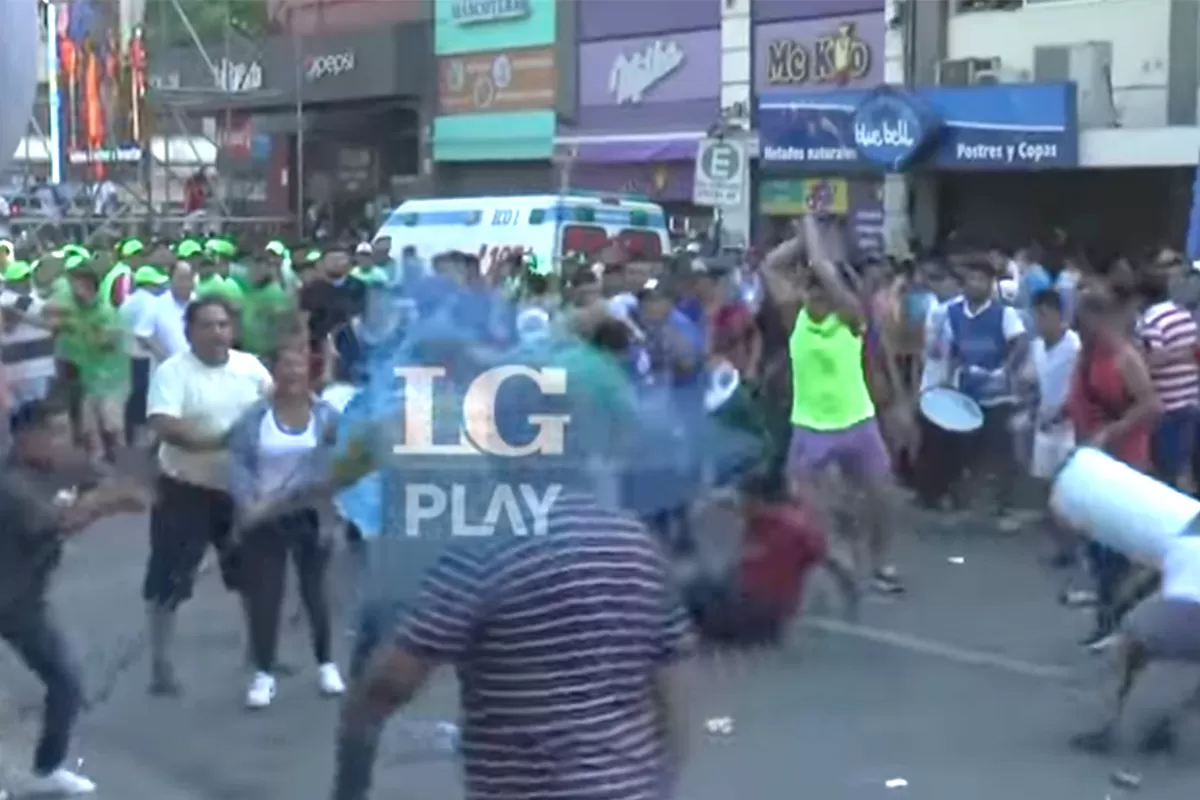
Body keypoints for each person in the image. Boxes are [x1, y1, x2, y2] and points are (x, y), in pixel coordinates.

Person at [331, 443, 694, 800]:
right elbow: (673, 686)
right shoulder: (636, 542)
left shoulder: (484, 551)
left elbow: (394, 679)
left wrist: (358, 718)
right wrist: (662, 783)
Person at [0, 397, 149, 795]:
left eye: (67, 430)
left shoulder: (60, 465)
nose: (65, 441)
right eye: (55, 433)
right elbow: (57, 522)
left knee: (65, 682)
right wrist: (108, 502)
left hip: (22, 602)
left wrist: (121, 485)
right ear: (26, 438)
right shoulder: (10, 485)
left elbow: (102, 476)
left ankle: (46, 769)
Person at [759, 217, 902, 593]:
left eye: (825, 291)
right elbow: (771, 266)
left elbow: (825, 270)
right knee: (810, 505)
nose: (818, 295)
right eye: (812, 290)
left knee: (881, 497)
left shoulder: (851, 318)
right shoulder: (797, 320)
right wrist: (801, 240)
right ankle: (832, 558)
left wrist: (809, 229)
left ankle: (881, 562)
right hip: (810, 427)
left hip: (857, 423)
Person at [143, 296, 273, 694]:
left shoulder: (250, 368)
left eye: (223, 325)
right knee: (168, 580)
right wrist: (224, 440)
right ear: (189, 331)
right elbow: (168, 428)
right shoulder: (173, 373)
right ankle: (160, 666)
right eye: (207, 325)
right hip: (185, 489)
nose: (217, 332)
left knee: (255, 577)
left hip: (239, 492)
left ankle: (259, 658)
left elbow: (278, 407)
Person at [226, 346, 345, 708]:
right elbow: (239, 463)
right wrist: (247, 505)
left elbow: (335, 471)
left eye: (298, 366)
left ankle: (326, 663)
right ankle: (263, 673)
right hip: (263, 518)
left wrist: (331, 515)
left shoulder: (327, 417)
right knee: (266, 596)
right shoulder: (254, 418)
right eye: (284, 365)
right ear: (274, 372)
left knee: (315, 593)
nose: (292, 373)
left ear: (309, 372)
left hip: (309, 515)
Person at [1068, 289, 1160, 650]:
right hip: (1092, 461)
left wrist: (1112, 431)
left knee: (1114, 550)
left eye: (1084, 319)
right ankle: (1110, 617)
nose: (1079, 325)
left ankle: (1115, 622)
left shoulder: (1124, 358)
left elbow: (1152, 405)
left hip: (1124, 461)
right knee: (1095, 544)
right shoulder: (1086, 355)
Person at [1071, 529, 1200, 755]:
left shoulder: (1179, 544)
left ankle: (1109, 727)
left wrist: (1115, 613)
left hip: (1167, 617)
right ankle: (1170, 722)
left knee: (1127, 657)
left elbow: (1139, 583)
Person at [942, 258, 1028, 523]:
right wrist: (948, 378)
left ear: (990, 285)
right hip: (967, 394)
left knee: (1002, 452)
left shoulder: (1004, 313)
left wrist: (1004, 370)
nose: (975, 284)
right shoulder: (953, 313)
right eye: (971, 279)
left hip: (998, 394)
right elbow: (951, 349)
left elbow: (1021, 343)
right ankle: (964, 506)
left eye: (981, 280)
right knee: (964, 451)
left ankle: (1006, 507)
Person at [1026, 289, 1081, 564]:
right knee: (1047, 489)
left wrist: (1061, 413)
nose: (1039, 321)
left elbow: (1080, 389)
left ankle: (1072, 546)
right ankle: (1061, 545)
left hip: (1069, 427)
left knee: (1068, 488)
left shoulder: (1074, 346)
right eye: (1036, 315)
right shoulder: (1036, 346)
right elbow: (1034, 383)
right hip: (1043, 425)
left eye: (1045, 315)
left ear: (1060, 315)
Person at [1136, 249, 1198, 487]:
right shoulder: (1161, 317)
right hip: (1178, 408)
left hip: (1179, 409)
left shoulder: (1166, 317)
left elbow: (1148, 363)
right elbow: (1151, 361)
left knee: (1176, 476)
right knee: (1176, 475)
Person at [134, 260, 195, 364]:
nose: (185, 283)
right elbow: (142, 336)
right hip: (167, 369)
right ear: (171, 280)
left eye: (189, 278)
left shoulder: (198, 303)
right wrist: (164, 356)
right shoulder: (156, 304)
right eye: (181, 278)